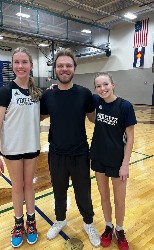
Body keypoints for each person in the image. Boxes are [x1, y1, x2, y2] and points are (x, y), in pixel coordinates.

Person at [40, 48, 100, 247]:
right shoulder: (48, 96)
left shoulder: (84, 94)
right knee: (59, 190)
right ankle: (60, 219)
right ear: (55, 69)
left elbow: (93, 119)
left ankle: (88, 223)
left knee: (83, 191)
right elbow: (37, 117)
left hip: (80, 153)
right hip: (56, 153)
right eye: (60, 66)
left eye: (68, 65)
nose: (64, 69)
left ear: (74, 68)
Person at [0, 47, 42, 248]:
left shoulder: (37, 93)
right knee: (17, 187)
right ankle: (18, 224)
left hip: (31, 147)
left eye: (24, 62)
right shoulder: (6, 91)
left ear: (31, 65)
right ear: (12, 65)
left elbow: (39, 115)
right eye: (16, 62)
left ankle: (31, 222)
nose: (20, 66)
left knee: (29, 185)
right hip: (12, 150)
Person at [89, 72, 137, 250]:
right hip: (99, 157)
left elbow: (130, 138)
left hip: (117, 161)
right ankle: (108, 226)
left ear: (113, 84)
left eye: (106, 84)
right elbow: (75, 93)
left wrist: (125, 164)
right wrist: (55, 87)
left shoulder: (125, 106)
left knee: (120, 200)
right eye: (99, 86)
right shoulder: (97, 101)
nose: (103, 89)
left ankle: (120, 229)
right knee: (104, 197)